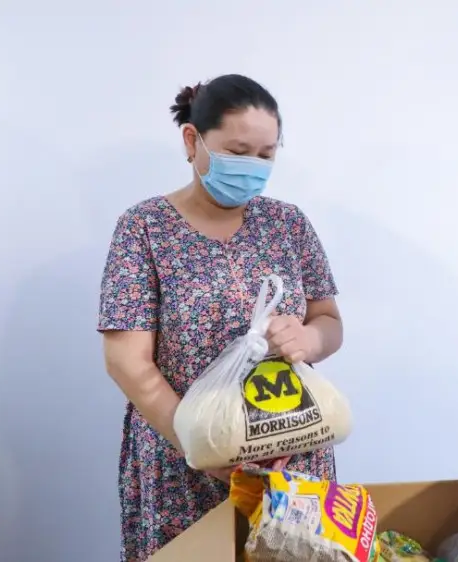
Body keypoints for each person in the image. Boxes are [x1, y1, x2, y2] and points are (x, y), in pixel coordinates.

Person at [97, 74, 344, 562]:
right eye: (238, 151)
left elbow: (328, 320)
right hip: (182, 462)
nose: (252, 166)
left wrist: (309, 340)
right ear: (193, 140)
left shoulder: (289, 224)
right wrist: (204, 447)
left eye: (266, 154)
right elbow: (126, 361)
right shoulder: (144, 228)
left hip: (290, 456)